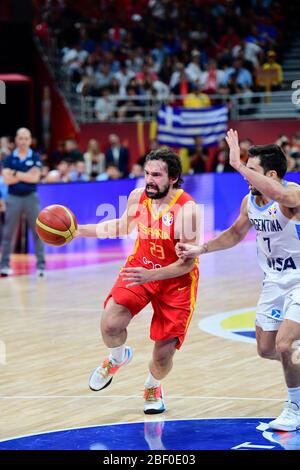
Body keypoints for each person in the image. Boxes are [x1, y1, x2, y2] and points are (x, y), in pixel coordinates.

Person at [176, 129, 300, 432]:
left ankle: (295, 407)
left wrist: (237, 164)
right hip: (274, 281)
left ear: (270, 174)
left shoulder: (293, 195)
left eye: (252, 170)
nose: (246, 176)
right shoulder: (249, 202)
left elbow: (281, 195)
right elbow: (234, 234)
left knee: (286, 344)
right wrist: (201, 248)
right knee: (266, 348)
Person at [76, 148, 200, 414]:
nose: (149, 180)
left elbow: (186, 263)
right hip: (141, 266)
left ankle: (153, 385)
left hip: (176, 280)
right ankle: (118, 358)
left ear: (174, 178)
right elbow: (122, 227)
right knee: (110, 325)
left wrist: (152, 275)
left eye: (156, 174)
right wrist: (78, 231)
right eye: (146, 173)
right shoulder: (137, 197)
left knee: (163, 355)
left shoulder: (187, 210)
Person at [0, 128, 45, 277]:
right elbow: (6, 180)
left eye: (26, 138)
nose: (23, 141)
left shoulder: (36, 157)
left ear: (30, 140)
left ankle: (40, 267)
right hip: (13, 198)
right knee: (8, 233)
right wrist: (26, 174)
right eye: (21, 138)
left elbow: (35, 178)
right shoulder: (8, 158)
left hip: (31, 197)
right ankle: (4, 266)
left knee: (38, 231)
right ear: (16, 140)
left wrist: (15, 173)